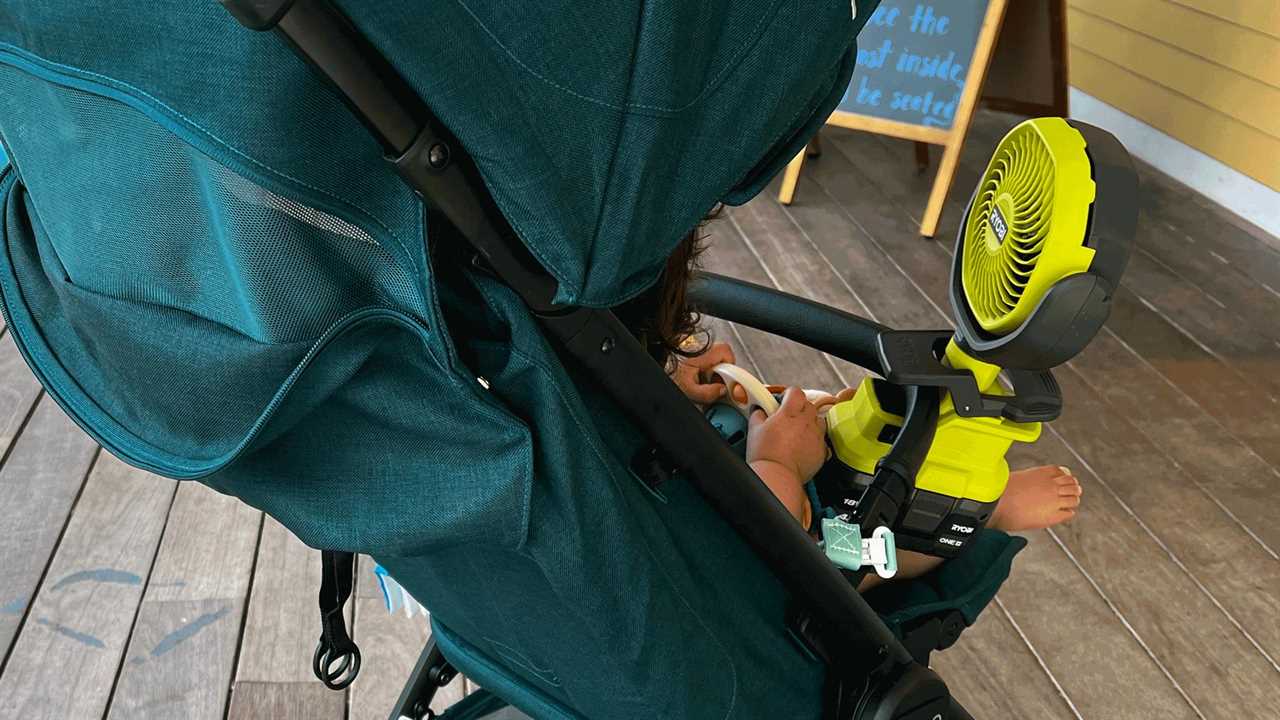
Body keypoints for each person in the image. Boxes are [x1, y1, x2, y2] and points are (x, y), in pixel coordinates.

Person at [614, 217, 1082, 586]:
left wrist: (665, 375)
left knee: (829, 422)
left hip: (699, 464)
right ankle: (986, 512)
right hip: (780, 557)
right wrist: (779, 462)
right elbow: (763, 560)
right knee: (871, 552)